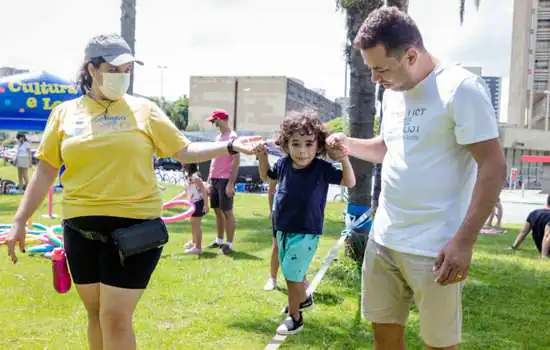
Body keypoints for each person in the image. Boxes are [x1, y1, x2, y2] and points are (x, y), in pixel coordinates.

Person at [4, 33, 260, 350]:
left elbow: (184, 150)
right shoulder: (65, 113)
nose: (122, 76)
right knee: (96, 315)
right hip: (80, 229)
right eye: (115, 69)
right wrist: (19, 220)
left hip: (135, 228)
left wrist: (230, 145)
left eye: (127, 70)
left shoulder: (144, 110)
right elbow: (45, 170)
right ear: (92, 68)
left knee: (115, 317)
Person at [326, 7, 506, 349]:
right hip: (384, 241)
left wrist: (464, 241)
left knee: (439, 344)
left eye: (381, 69)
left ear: (410, 55)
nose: (376, 78)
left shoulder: (460, 89)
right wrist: (347, 144)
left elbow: (493, 166)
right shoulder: (393, 94)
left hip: (435, 249)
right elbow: (388, 148)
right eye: (371, 70)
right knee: (385, 342)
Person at [256, 110, 356, 335]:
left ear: (318, 145)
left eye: (309, 144)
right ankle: (303, 300)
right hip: (282, 228)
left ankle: (295, 317)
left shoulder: (321, 169)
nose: (302, 151)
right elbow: (266, 176)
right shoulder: (283, 164)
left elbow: (349, 182)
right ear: (285, 144)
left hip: (305, 231)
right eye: (296, 144)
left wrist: (344, 158)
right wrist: (262, 156)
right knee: (294, 271)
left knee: (292, 275)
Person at [206, 109, 239, 255]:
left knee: (227, 212)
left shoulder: (233, 137)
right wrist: (208, 180)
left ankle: (229, 244)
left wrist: (231, 183)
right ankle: (219, 240)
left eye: (214, 120)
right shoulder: (218, 137)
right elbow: (214, 160)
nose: (213, 123)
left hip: (225, 179)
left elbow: (236, 162)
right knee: (217, 212)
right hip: (214, 179)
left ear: (221, 119)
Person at [510, 194, 550, 258]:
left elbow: (523, 232)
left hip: (541, 248)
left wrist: (514, 246)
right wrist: (544, 256)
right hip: (547, 250)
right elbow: (547, 235)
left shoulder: (534, 213)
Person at [182, 163, 209, 254]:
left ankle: (198, 247)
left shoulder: (195, 177)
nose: (182, 164)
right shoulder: (189, 177)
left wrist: (206, 205)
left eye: (185, 163)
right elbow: (186, 192)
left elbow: (203, 190)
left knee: (196, 226)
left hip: (198, 203)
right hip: (193, 204)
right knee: (193, 224)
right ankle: (194, 242)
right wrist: (172, 200)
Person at [263, 179, 280, 291]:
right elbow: (271, 189)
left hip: (300, 211)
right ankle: (272, 278)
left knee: (300, 247)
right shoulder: (281, 164)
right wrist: (271, 210)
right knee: (277, 246)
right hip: (279, 210)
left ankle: (302, 279)